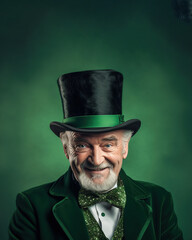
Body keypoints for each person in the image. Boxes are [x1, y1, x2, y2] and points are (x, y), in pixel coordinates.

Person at [9, 70, 183, 240]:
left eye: (107, 145)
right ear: (66, 148)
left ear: (124, 147)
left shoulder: (160, 200)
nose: (97, 160)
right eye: (82, 145)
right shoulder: (31, 206)